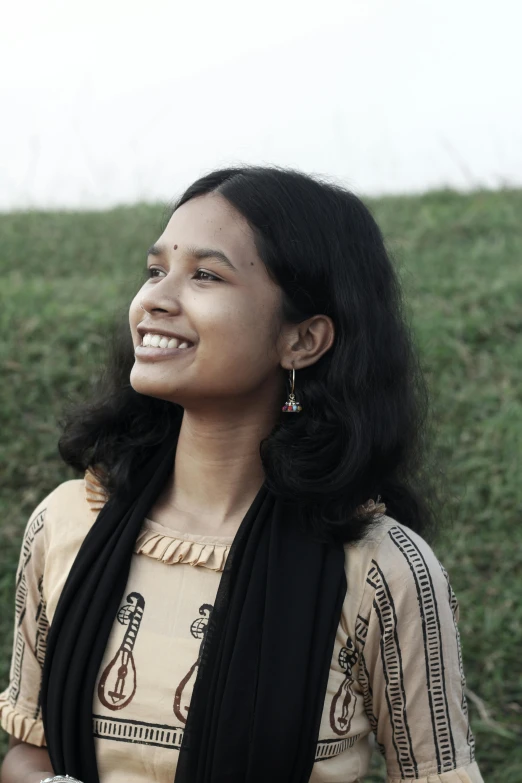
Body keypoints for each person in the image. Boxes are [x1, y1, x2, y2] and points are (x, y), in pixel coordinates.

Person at [0, 165, 484, 783]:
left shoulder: (382, 569)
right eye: (156, 271)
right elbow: (28, 751)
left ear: (303, 340)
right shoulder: (68, 523)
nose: (155, 298)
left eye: (205, 274)